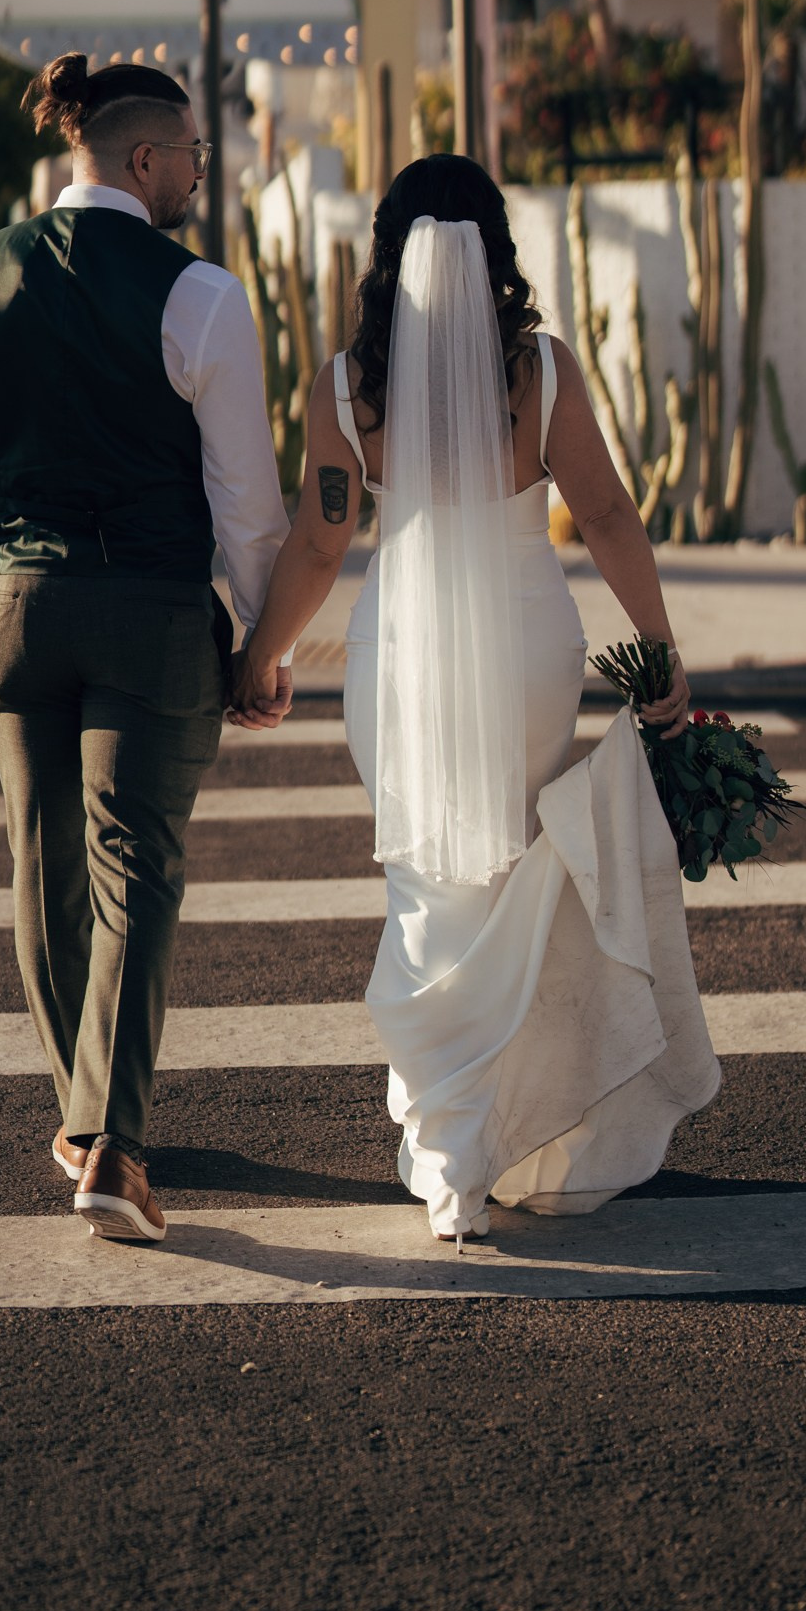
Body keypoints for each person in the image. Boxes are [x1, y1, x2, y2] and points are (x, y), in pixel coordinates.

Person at [232, 155, 714, 1242]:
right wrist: (660, 646)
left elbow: (318, 539)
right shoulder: (536, 373)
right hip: (528, 648)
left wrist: (260, 656)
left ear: (385, 254)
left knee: (421, 880)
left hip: (399, 649)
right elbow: (605, 516)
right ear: (496, 251)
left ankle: (451, 1151)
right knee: (510, 866)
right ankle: (497, 1133)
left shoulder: (345, 389)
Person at [0, 52, 287, 1247]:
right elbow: (246, 506)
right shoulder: (202, 296)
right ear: (145, 158)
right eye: (194, 161)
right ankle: (114, 1143)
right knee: (137, 869)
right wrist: (258, 644)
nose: (199, 182)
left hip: (16, 606)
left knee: (43, 862)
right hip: (150, 609)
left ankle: (80, 1114)